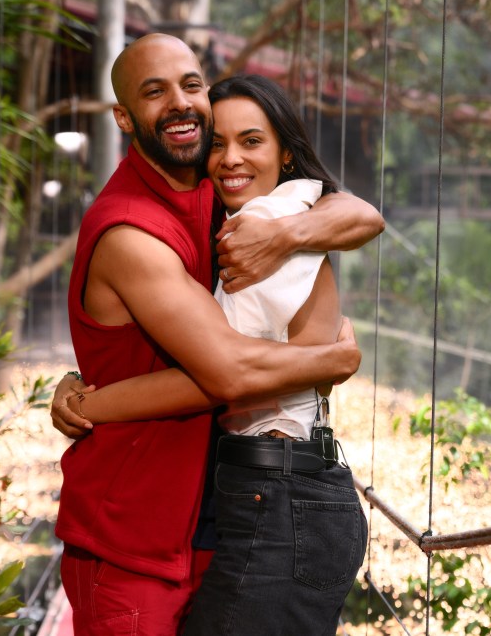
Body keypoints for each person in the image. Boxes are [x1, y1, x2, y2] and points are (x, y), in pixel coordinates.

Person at [52, 33, 383, 636]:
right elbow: (227, 373)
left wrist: (288, 235)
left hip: (224, 512)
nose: (180, 103)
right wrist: (333, 359)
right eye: (155, 93)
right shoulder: (134, 231)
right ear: (125, 117)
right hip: (138, 536)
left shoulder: (228, 204)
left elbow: (361, 213)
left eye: (191, 85)